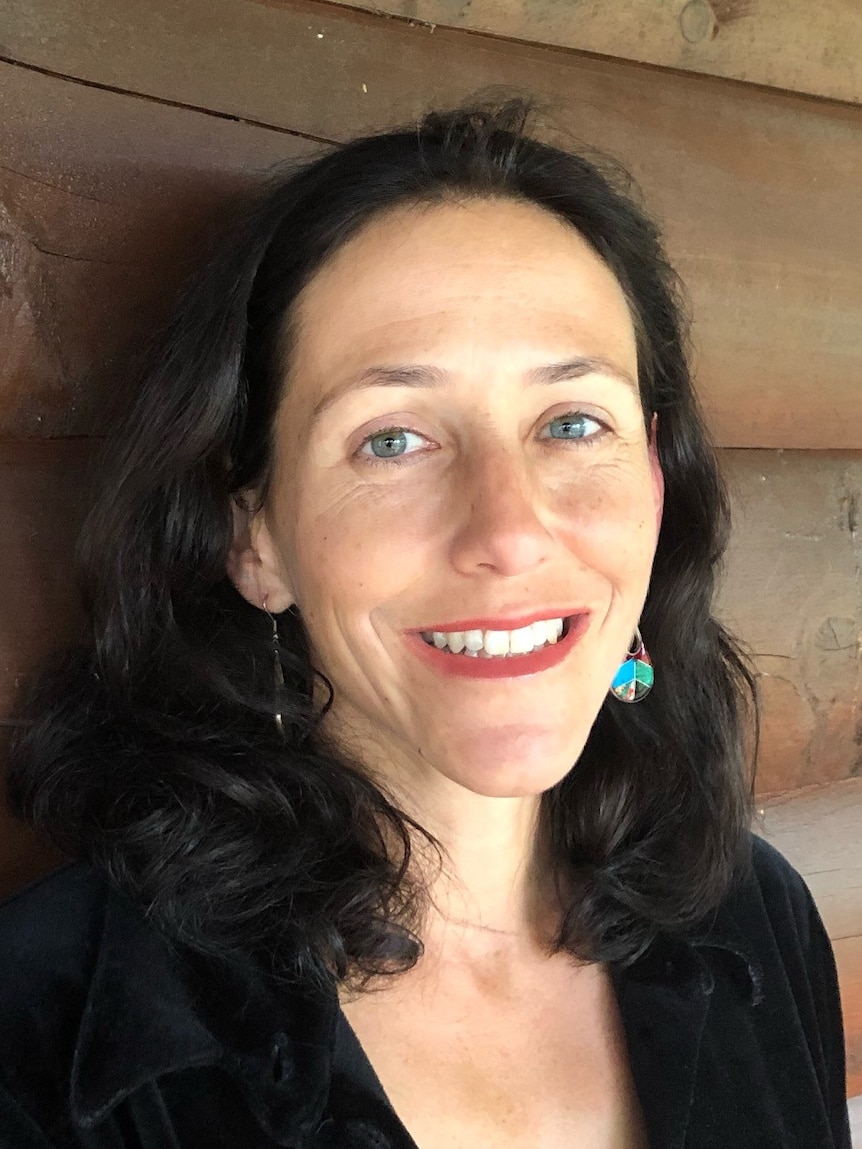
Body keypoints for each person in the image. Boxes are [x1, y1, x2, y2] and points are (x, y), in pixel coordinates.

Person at [0, 98, 851, 1149]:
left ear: (654, 485)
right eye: (393, 441)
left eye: (573, 423)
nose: (508, 531)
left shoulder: (747, 918)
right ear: (253, 536)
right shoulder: (46, 1032)